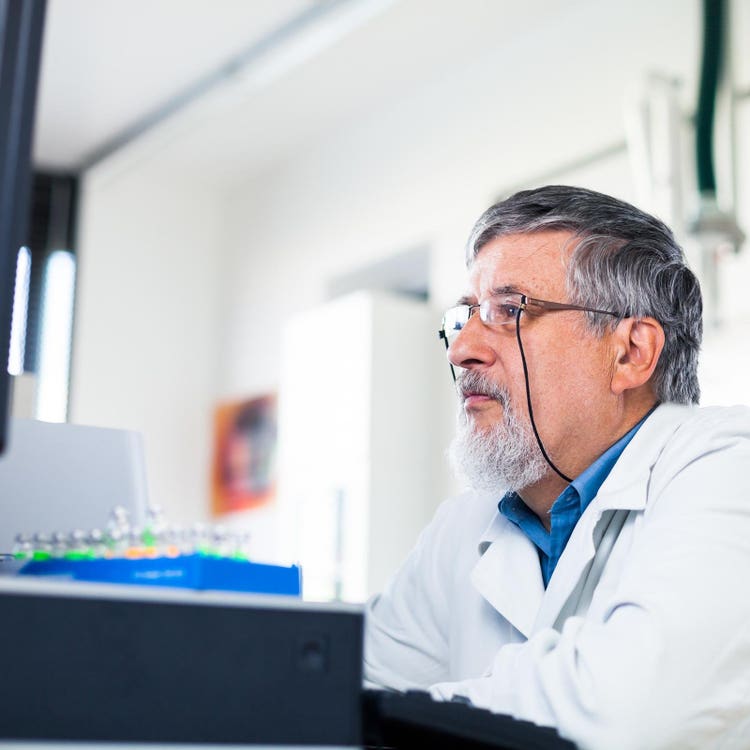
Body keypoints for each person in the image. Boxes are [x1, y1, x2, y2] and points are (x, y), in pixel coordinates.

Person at [364, 185, 750, 749]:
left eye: (509, 310)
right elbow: (332, 708)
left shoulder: (727, 464)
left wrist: (411, 717)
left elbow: (633, 710)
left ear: (630, 352)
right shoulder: (463, 528)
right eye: (467, 314)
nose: (461, 348)